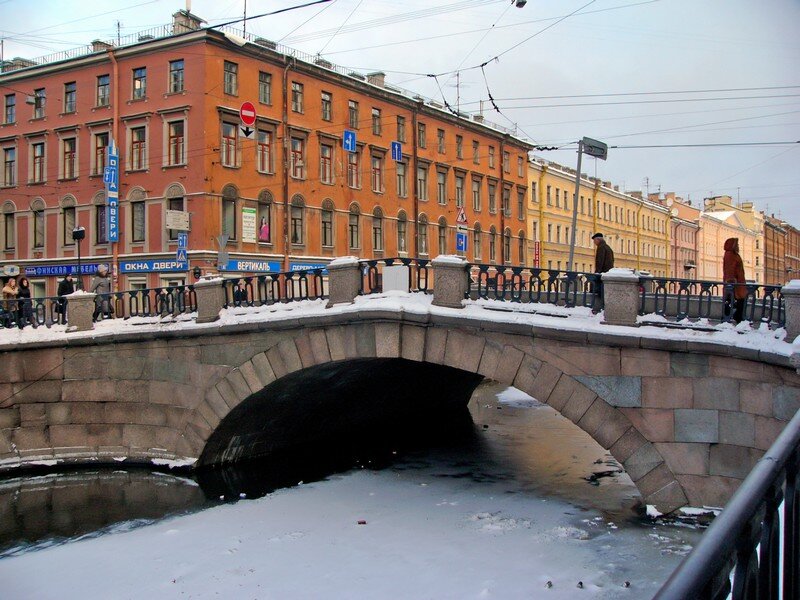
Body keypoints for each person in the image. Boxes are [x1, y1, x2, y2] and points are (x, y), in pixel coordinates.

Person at [723, 237, 747, 323]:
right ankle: (735, 317)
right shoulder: (730, 255)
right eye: (736, 244)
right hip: (735, 285)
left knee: (739, 301)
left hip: (739, 283)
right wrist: (731, 282)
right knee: (738, 301)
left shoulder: (733, 254)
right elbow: (729, 269)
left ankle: (736, 317)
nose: (738, 246)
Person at [592, 232, 615, 311]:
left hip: (602, 274)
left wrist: (597, 273)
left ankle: (600, 307)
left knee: (598, 290)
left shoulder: (601, 247)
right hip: (608, 273)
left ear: (598, 239)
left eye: (594, 241)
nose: (594, 243)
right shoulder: (607, 247)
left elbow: (600, 261)